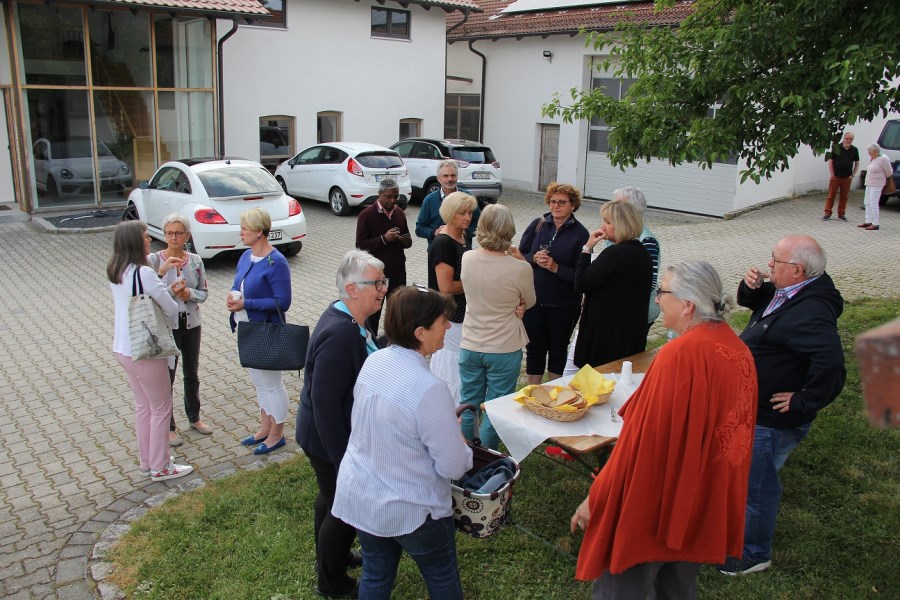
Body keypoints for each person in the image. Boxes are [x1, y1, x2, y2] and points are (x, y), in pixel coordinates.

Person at [571, 260, 757, 599]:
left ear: (687, 305)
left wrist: (596, 498)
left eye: (662, 292)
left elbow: (638, 446)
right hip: (701, 501)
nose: (657, 299)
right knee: (677, 588)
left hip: (652, 506)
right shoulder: (739, 350)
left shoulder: (677, 356)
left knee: (623, 588)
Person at [332, 286, 473, 600]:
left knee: (376, 574)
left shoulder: (375, 361)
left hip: (364, 497)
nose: (448, 327)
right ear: (421, 332)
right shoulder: (430, 388)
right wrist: (460, 441)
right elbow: (452, 466)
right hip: (412, 509)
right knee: (442, 578)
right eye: (442, 322)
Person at [720, 235, 846, 575]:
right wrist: (752, 289)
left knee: (757, 485)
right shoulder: (796, 289)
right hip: (754, 406)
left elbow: (832, 366)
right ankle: (737, 532)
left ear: (798, 269)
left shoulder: (811, 312)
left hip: (771, 418)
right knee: (749, 477)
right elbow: (766, 311)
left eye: (775, 261)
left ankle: (754, 554)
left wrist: (804, 401)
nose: (769, 264)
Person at [296, 250, 387, 599]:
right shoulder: (340, 333)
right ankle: (331, 583)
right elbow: (326, 404)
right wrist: (343, 458)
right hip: (327, 439)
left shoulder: (351, 320)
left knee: (329, 498)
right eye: (376, 283)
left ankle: (333, 557)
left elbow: (364, 354)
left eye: (383, 281)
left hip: (323, 436)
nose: (382, 289)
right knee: (344, 508)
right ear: (351, 289)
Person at [107, 221, 193, 482]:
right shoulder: (143, 273)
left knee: (143, 406)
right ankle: (161, 466)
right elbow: (170, 306)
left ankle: (147, 461)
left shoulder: (117, 270)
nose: (149, 240)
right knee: (161, 407)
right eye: (145, 237)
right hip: (147, 348)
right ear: (135, 241)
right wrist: (166, 287)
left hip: (123, 347)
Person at [459, 204, 536, 450]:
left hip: (470, 342)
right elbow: (530, 300)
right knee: (497, 406)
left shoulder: (467, 257)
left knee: (469, 402)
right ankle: (487, 458)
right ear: (510, 230)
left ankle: (467, 453)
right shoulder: (520, 268)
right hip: (504, 346)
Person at [562, 187, 660, 377]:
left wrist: (587, 248)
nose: (603, 226)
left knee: (579, 378)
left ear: (621, 224)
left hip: (604, 334)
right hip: (628, 332)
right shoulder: (641, 253)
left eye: (607, 222)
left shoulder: (615, 253)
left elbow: (581, 283)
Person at [226, 208, 291, 455]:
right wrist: (233, 299)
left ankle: (277, 434)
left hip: (267, 330)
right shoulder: (245, 256)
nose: (241, 232)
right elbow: (237, 284)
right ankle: (264, 428)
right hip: (246, 328)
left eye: (245, 228)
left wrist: (247, 304)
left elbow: (282, 301)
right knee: (259, 383)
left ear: (260, 232)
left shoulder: (277, 262)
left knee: (272, 384)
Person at [148, 213, 212, 447]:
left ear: (187, 235)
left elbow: (204, 292)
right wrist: (171, 290)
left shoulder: (194, 261)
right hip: (167, 326)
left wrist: (189, 294)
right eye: (169, 233)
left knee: (191, 373)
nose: (173, 237)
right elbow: (148, 294)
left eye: (178, 233)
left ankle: (194, 417)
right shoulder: (154, 260)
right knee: (167, 377)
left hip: (191, 323)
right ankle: (169, 426)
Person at [518, 183, 589, 384]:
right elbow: (520, 256)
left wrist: (555, 267)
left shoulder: (580, 233)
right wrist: (534, 258)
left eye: (562, 202)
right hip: (535, 301)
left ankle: (555, 394)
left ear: (573, 205)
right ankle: (533, 393)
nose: (556, 206)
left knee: (558, 351)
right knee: (534, 350)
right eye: (552, 201)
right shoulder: (538, 224)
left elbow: (581, 276)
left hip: (564, 305)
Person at [427, 191, 477, 402]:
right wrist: (477, 281)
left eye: (469, 213)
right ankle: (450, 408)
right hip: (450, 314)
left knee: (460, 365)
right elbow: (446, 286)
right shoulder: (443, 243)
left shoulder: (465, 236)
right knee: (451, 365)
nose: (467, 217)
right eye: (461, 213)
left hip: (463, 312)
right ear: (449, 213)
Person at [355, 179, 412, 335]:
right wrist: (384, 239)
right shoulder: (366, 215)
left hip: (398, 270)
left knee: (397, 311)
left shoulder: (399, 213)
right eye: (388, 196)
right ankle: (370, 343)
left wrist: (404, 240)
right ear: (379, 194)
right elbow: (360, 245)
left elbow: (408, 240)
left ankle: (395, 342)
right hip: (375, 274)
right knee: (373, 313)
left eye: (396, 196)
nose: (393, 200)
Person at [415, 160, 479, 249]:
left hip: (462, 251)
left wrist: (464, 232)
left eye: (453, 175)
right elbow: (419, 229)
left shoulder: (468, 198)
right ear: (438, 178)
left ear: (457, 177)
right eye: (445, 176)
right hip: (437, 252)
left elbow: (478, 224)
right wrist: (435, 232)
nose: (450, 179)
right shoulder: (429, 200)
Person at [822, 131, 859, 221]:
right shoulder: (836, 147)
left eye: (850, 139)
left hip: (847, 177)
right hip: (836, 177)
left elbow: (857, 163)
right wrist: (832, 174)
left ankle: (841, 214)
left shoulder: (855, 150)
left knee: (844, 197)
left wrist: (853, 175)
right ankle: (827, 213)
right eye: (847, 138)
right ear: (843, 138)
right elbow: (830, 161)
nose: (848, 140)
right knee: (831, 195)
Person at [859, 143, 892, 231]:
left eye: (870, 152)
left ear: (876, 151)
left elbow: (889, 172)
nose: (869, 154)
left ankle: (875, 223)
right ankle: (868, 221)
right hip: (869, 183)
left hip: (877, 184)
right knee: (867, 202)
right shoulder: (874, 158)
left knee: (874, 202)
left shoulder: (883, 158)